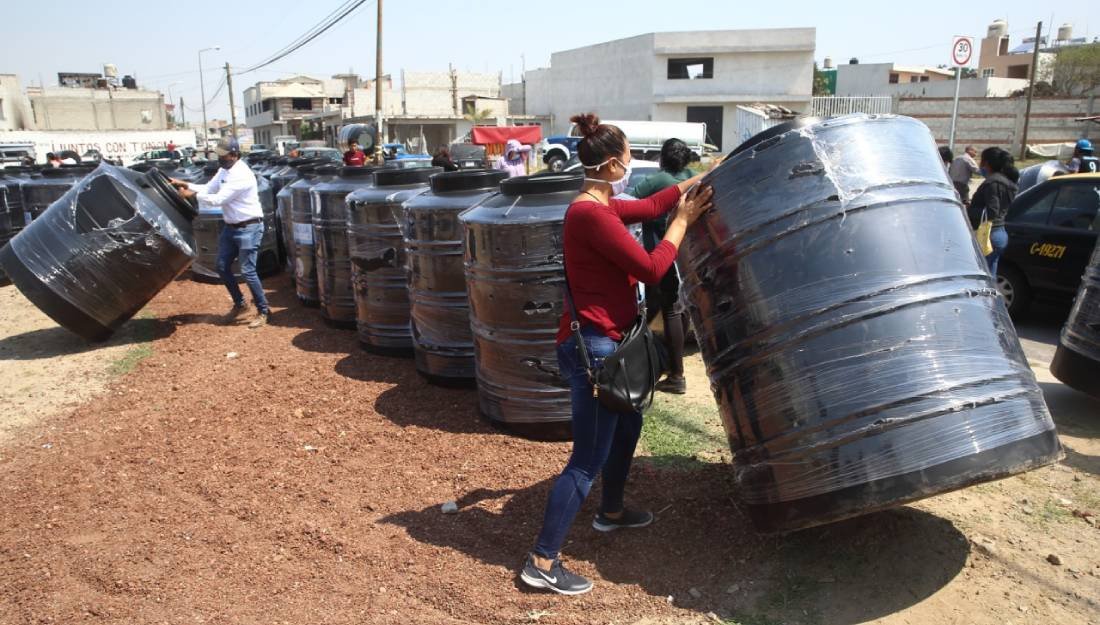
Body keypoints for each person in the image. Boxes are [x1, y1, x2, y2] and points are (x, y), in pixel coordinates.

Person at [519, 113, 715, 596]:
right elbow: (651, 267)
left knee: (628, 424)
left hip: (609, 343)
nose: (631, 163)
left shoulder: (601, 205)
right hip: (595, 350)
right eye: (627, 157)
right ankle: (541, 561)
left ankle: (611, 511)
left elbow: (649, 206)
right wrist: (684, 222)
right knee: (586, 459)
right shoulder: (589, 214)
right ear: (610, 165)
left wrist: (702, 178)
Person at [170, 138, 271, 329]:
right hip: (231, 227)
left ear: (234, 155)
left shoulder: (241, 175)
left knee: (248, 271)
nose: (220, 158)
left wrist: (191, 194)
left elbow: (218, 199)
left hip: (249, 227)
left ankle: (264, 310)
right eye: (219, 155)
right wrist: (185, 184)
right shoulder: (225, 170)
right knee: (222, 266)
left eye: (223, 155)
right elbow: (208, 188)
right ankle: (240, 304)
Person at [631, 138, 697, 394]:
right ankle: (659, 365)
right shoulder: (694, 177)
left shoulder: (660, 180)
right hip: (687, 255)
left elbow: (630, 199)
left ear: (662, 158)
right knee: (678, 310)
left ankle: (676, 375)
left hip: (662, 254)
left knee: (669, 310)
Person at [969, 147, 1017, 278]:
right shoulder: (1006, 181)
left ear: (987, 163)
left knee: (982, 278)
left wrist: (967, 210)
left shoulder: (993, 183)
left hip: (989, 236)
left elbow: (992, 211)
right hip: (998, 233)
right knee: (990, 277)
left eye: (981, 161)